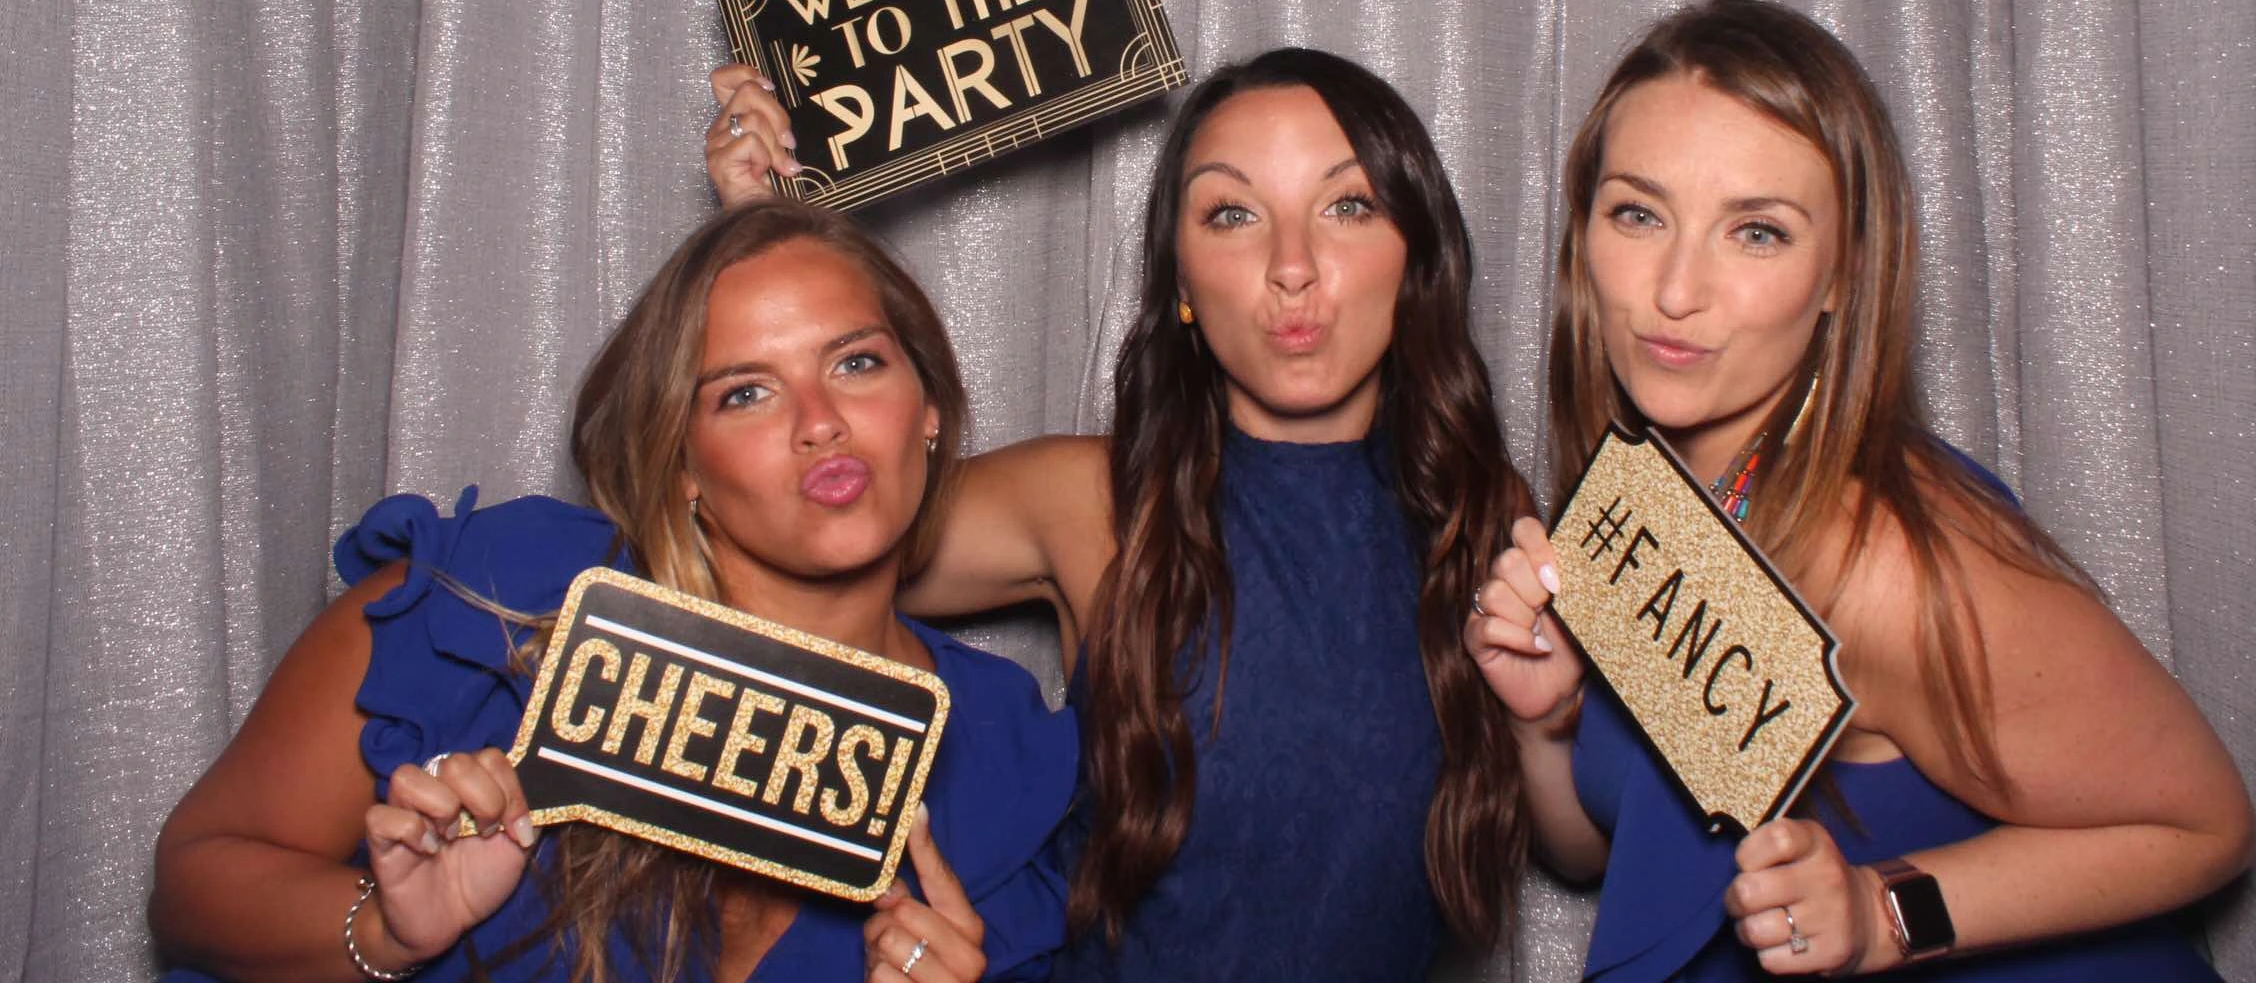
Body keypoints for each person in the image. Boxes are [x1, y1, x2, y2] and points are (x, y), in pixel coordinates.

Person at [1464, 0, 2254, 979]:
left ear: (1843, 272)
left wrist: (1885, 911)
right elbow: (1605, 852)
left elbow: (2206, 824)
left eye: (1756, 232)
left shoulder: (1883, 556)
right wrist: (1547, 719)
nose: (1673, 288)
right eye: (1638, 212)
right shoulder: (1655, 501)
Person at [709, 48, 1537, 979]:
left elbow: (1582, 842)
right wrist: (770, 241)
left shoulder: (1483, 508)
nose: (1292, 268)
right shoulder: (1093, 502)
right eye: (1232, 214)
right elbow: (793, 551)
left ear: (1417, 249)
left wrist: (1548, 718)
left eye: (1348, 206)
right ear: (1180, 280)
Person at [149, 200, 1076, 982]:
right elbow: (193, 887)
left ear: (932, 409)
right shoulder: (494, 598)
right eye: (744, 393)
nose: (820, 425)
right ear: (681, 466)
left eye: (857, 363)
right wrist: (392, 932)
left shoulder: (1007, 760)